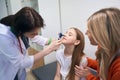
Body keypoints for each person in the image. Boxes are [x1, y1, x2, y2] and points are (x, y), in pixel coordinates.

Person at [0, 7, 62, 80]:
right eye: (33, 33)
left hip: (19, 70)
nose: (36, 35)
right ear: (20, 31)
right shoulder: (3, 36)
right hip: (7, 70)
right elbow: (21, 62)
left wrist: (50, 41)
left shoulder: (19, 23)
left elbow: (34, 36)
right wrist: (49, 49)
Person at [75, 7, 120, 80]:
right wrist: (84, 59)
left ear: (102, 33)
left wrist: (88, 75)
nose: (86, 33)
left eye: (89, 30)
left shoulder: (118, 68)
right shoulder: (103, 47)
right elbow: (103, 66)